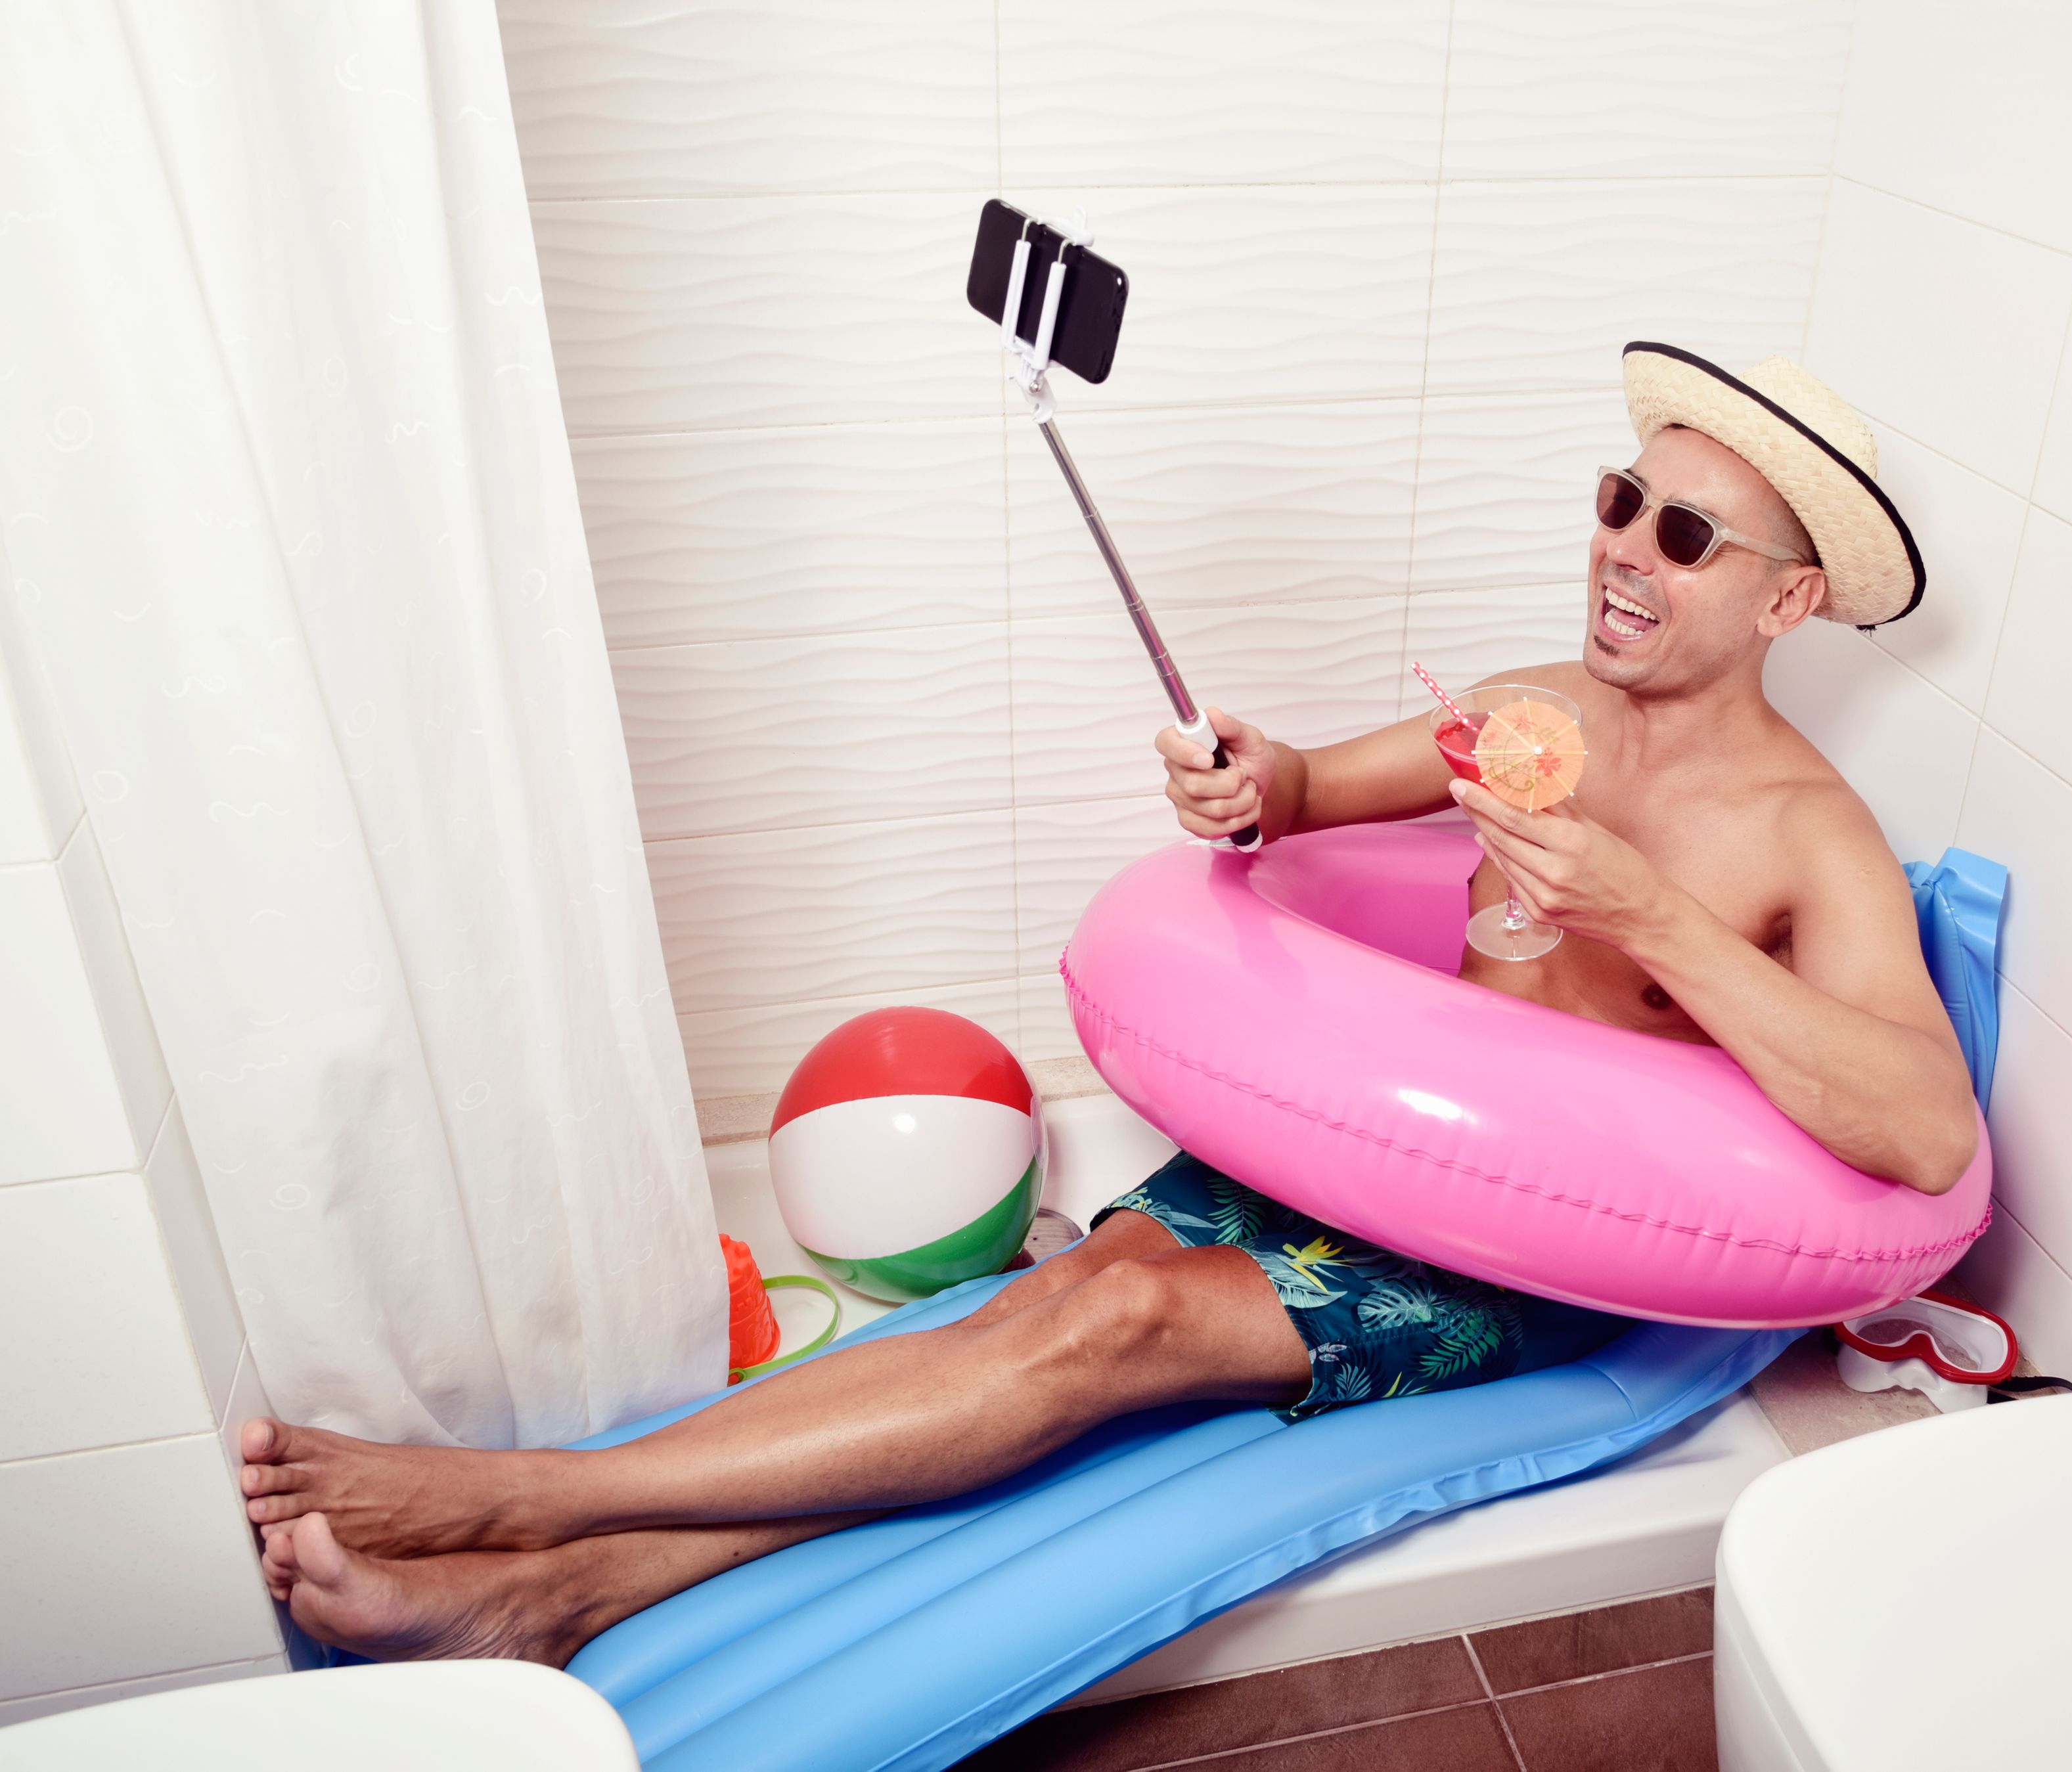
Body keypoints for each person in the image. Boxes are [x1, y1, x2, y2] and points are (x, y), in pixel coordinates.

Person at [240, 343, 1979, 1664]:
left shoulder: (1808, 835)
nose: (1623, 550)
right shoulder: (1536, 710)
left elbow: (1922, 1128)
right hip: (1379, 1157)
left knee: (1109, 1326)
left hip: (1529, 1253)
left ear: (1789, 597)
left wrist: (1647, 913)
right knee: (1075, 1293)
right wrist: (1247, 779)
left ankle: (515, 1496)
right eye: (1617, 499)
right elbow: (1307, 790)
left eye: (1684, 533)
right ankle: (561, 1591)